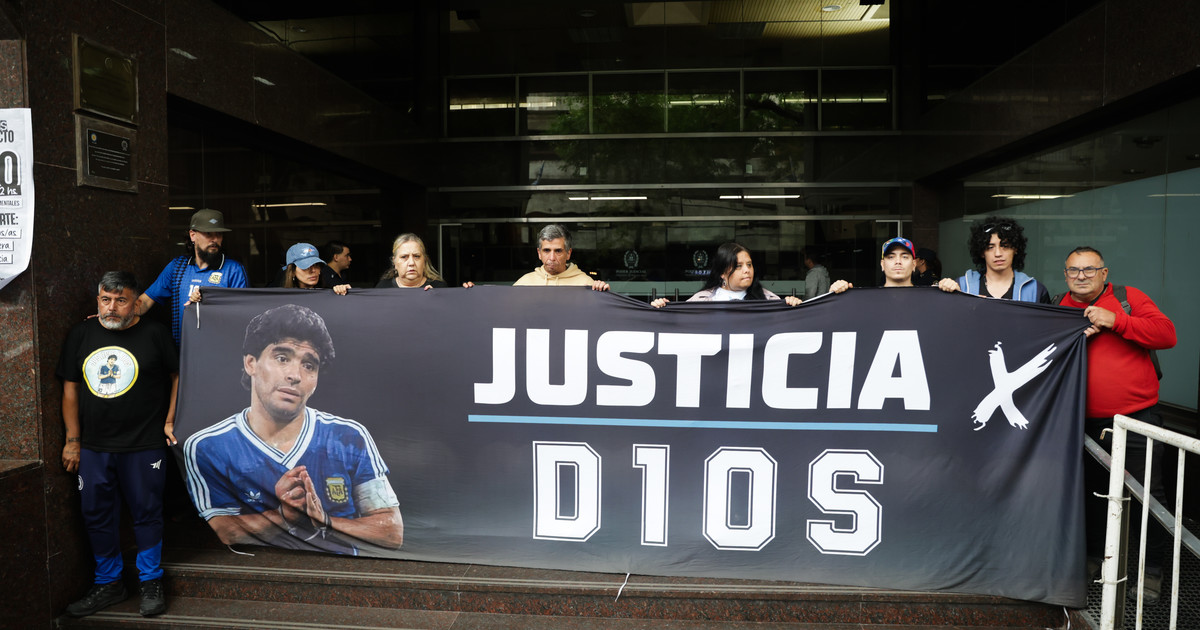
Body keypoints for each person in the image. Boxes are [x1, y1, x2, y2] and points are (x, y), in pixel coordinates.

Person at [183, 304, 403, 555]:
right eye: (282, 358)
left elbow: (392, 532)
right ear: (251, 363)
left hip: (340, 572)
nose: (295, 375)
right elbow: (226, 531)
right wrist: (284, 516)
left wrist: (325, 522)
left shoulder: (349, 436)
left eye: (309, 365)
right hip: (260, 572)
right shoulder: (208, 446)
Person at [57, 271, 180, 618]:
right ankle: (109, 583)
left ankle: (150, 580)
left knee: (147, 511)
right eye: (105, 300)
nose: (111, 308)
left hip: (144, 443)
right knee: (95, 513)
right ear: (98, 300)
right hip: (94, 445)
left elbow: (177, 376)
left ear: (135, 302)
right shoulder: (81, 334)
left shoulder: (155, 333)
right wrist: (72, 440)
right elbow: (70, 388)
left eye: (120, 300)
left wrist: (170, 420)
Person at [1058, 246, 1176, 602]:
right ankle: (1095, 558)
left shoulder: (1128, 298)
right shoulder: (1059, 306)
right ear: (1066, 275)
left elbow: (1167, 335)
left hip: (1136, 420)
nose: (1081, 276)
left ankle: (1151, 570)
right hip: (1082, 422)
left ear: (1104, 273)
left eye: (1089, 269)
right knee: (1091, 495)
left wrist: (1117, 320)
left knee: (1147, 498)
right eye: (1074, 270)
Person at [136, 209, 249, 345]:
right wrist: (119, 311)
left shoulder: (233, 269)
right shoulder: (177, 266)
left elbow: (243, 315)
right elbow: (146, 301)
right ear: (193, 235)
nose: (214, 239)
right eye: (208, 234)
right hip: (182, 348)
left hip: (219, 347)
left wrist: (207, 302)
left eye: (218, 234)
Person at [936, 216, 1050, 302]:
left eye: (1005, 246)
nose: (998, 253)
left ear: (1015, 249)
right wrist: (952, 296)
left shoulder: (1035, 290)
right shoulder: (963, 285)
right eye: (990, 247)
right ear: (982, 252)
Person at [652, 242, 801, 307]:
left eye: (749, 264)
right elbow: (679, 325)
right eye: (738, 266)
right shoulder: (700, 300)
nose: (747, 270)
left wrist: (794, 307)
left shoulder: (770, 300)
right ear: (722, 273)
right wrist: (661, 309)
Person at [512, 224, 609, 290]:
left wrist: (602, 292)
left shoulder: (585, 283)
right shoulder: (524, 283)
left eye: (558, 251)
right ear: (539, 253)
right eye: (546, 250)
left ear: (568, 253)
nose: (552, 258)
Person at [828, 237, 920, 293]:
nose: (898, 261)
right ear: (882, 264)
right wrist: (834, 295)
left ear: (914, 264)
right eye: (891, 257)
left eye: (904, 257)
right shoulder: (868, 299)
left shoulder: (925, 298)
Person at [376, 233, 447, 290]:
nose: (411, 263)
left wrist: (435, 297)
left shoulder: (438, 288)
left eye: (416, 256)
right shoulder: (383, 288)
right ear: (394, 262)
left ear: (424, 261)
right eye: (404, 257)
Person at [274, 243, 350, 294]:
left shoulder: (329, 293)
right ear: (293, 272)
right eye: (306, 266)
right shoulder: (282, 299)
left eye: (316, 265)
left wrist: (341, 291)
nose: (313, 270)